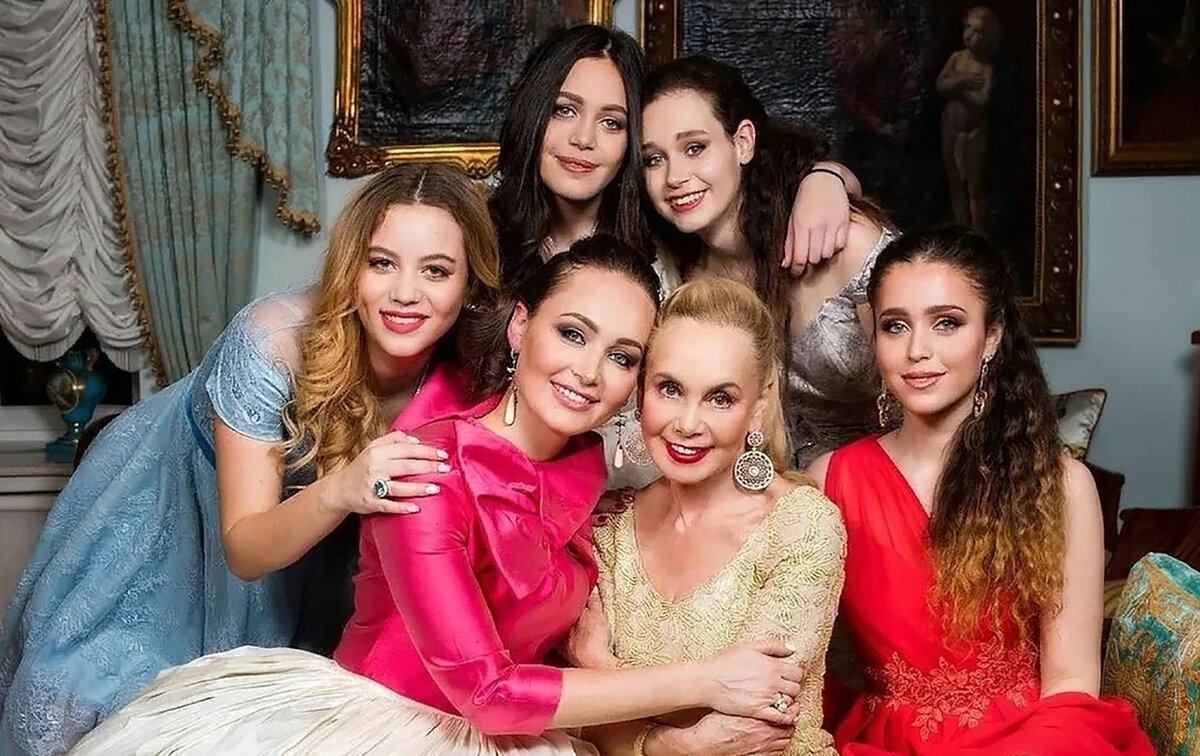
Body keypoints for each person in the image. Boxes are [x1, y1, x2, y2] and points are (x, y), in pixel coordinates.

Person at [72, 238, 808, 755]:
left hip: (520, 739)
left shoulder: (592, 475)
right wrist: (706, 680)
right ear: (521, 327)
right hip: (388, 729)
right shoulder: (428, 469)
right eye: (572, 334)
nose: (589, 372)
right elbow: (487, 693)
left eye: (622, 357)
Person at [0, 163, 499, 755]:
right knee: (87, 701)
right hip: (177, 514)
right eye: (381, 263)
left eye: (435, 270)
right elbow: (244, 548)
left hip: (320, 558)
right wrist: (343, 488)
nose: (405, 293)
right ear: (350, 267)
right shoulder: (272, 341)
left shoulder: (478, 371)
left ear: (470, 285)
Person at [808, 226, 1154, 754]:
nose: (917, 350)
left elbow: (1071, 683)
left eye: (946, 323)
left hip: (1034, 741)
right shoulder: (830, 481)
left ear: (991, 336)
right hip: (886, 745)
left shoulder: (1061, 485)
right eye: (895, 326)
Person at [567, 278, 845, 755]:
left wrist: (599, 669)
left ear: (757, 408)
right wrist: (678, 746)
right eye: (670, 389)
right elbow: (578, 720)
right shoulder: (610, 526)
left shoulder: (802, 526)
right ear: (640, 394)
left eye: (720, 398)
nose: (688, 424)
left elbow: (758, 715)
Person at [639, 56, 896, 468]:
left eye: (694, 148)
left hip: (889, 483)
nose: (674, 177)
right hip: (771, 495)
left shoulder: (841, 239)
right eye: (654, 159)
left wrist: (829, 176)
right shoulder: (680, 277)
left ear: (743, 142)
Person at [937, 6, 1000, 231]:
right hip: (951, 129)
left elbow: (983, 101)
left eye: (977, 31)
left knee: (974, 186)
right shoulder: (957, 59)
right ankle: (961, 228)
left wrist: (959, 89)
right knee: (955, 183)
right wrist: (963, 82)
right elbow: (940, 86)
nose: (970, 35)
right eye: (968, 28)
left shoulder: (985, 67)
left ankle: (978, 231)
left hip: (973, 134)